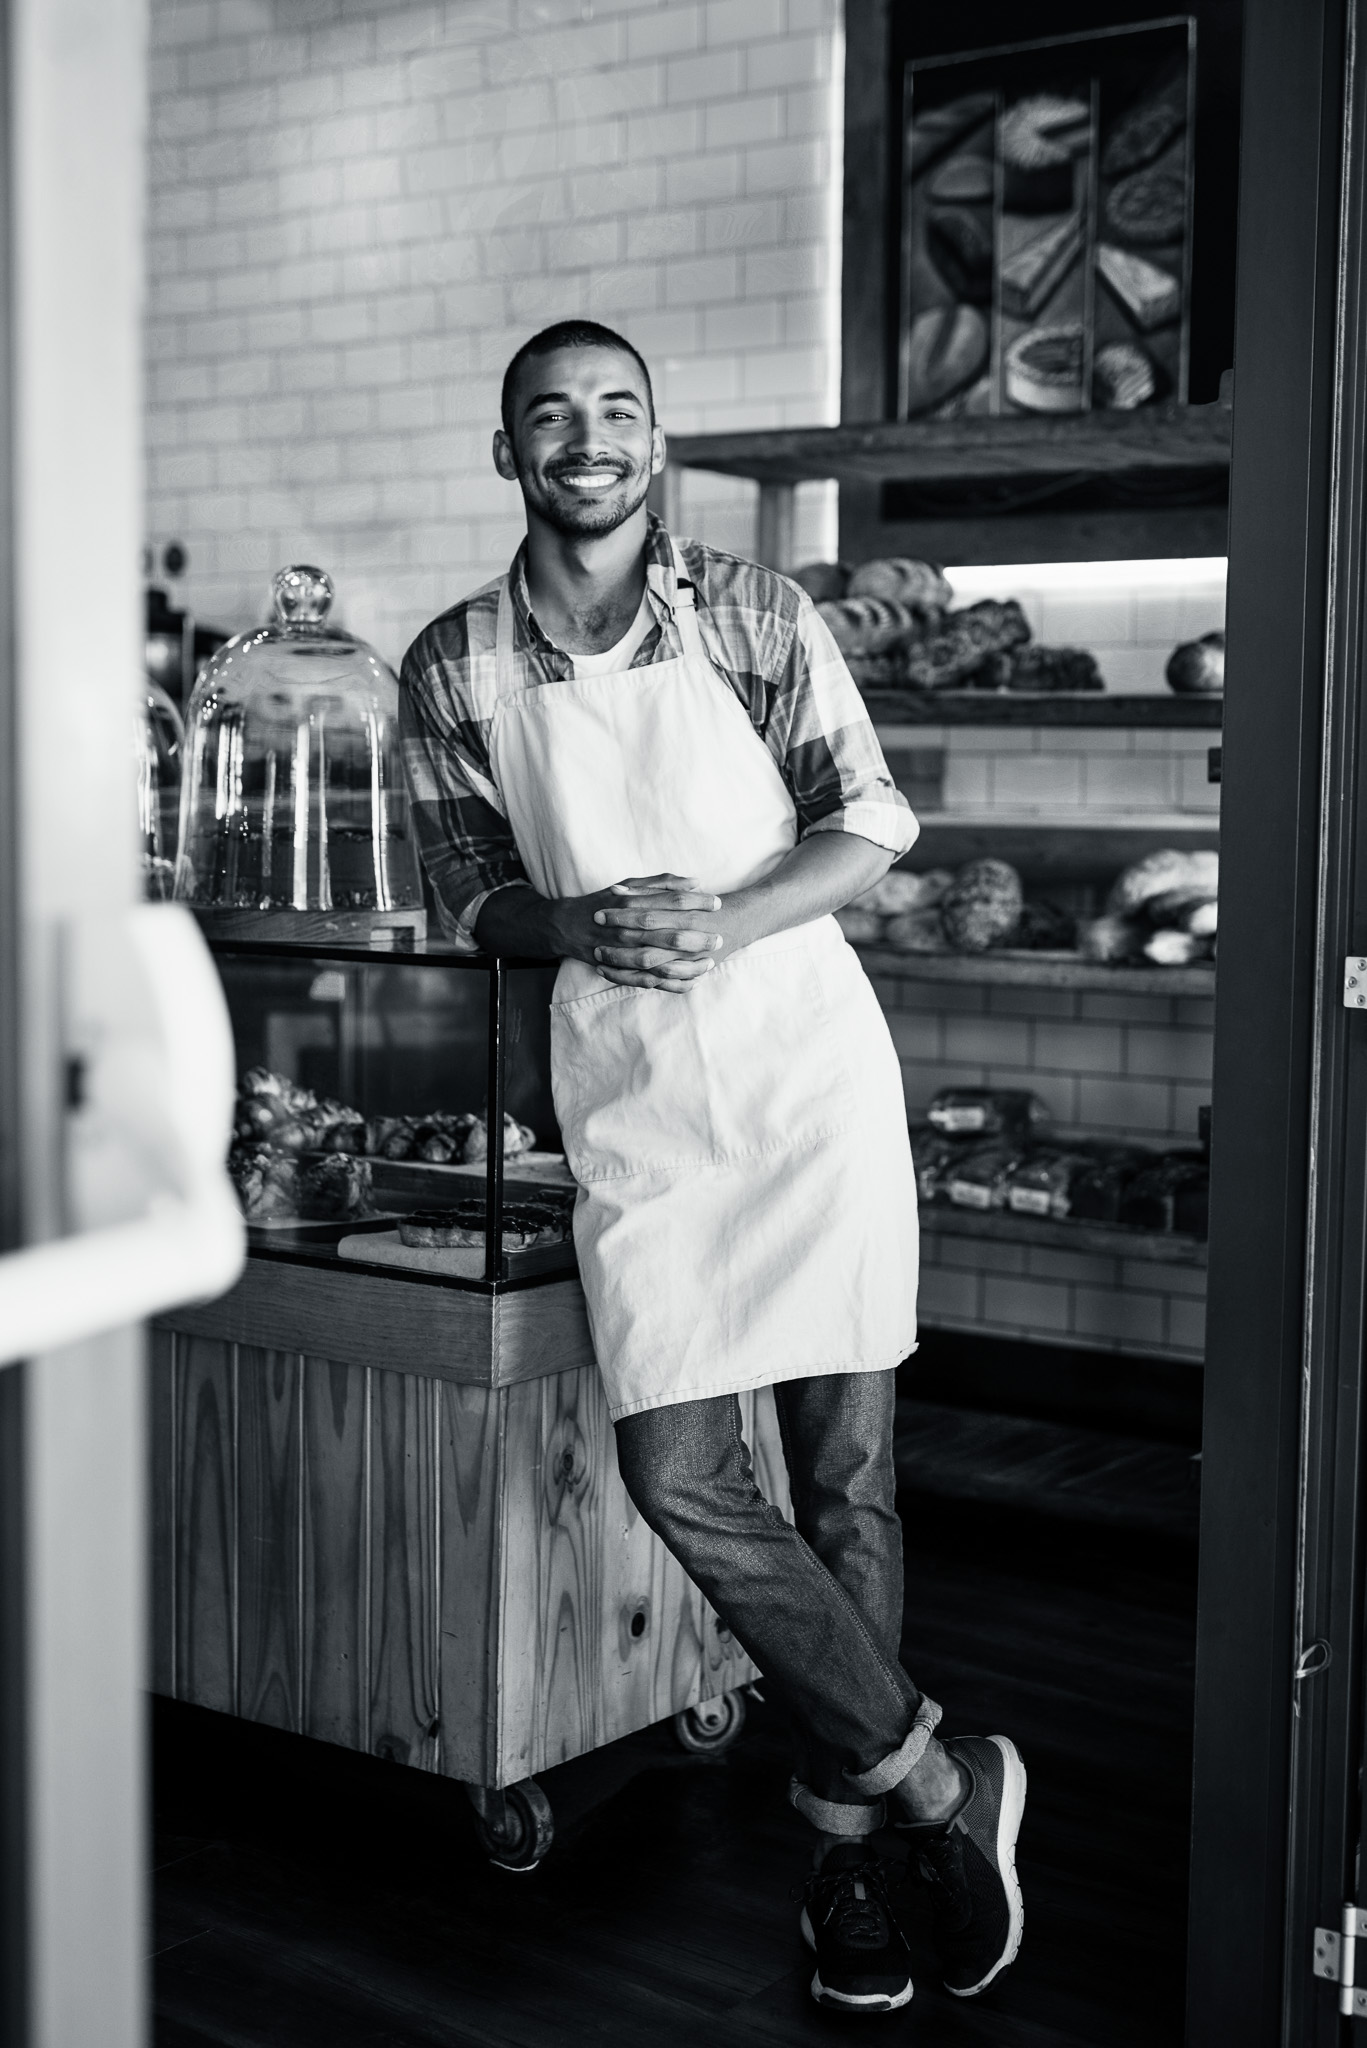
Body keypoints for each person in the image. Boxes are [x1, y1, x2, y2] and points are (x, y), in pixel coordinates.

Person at [399, 319, 1025, 2015]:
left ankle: (862, 1882)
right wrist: (586, 920)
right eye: (551, 413)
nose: (585, 438)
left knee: (846, 1491)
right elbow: (469, 895)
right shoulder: (451, 664)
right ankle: (937, 1782)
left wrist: (724, 919)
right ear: (507, 448)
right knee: (682, 1471)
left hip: (805, 1079)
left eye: (617, 411)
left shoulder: (754, 612)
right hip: (638, 1113)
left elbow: (874, 818)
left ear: (655, 444)